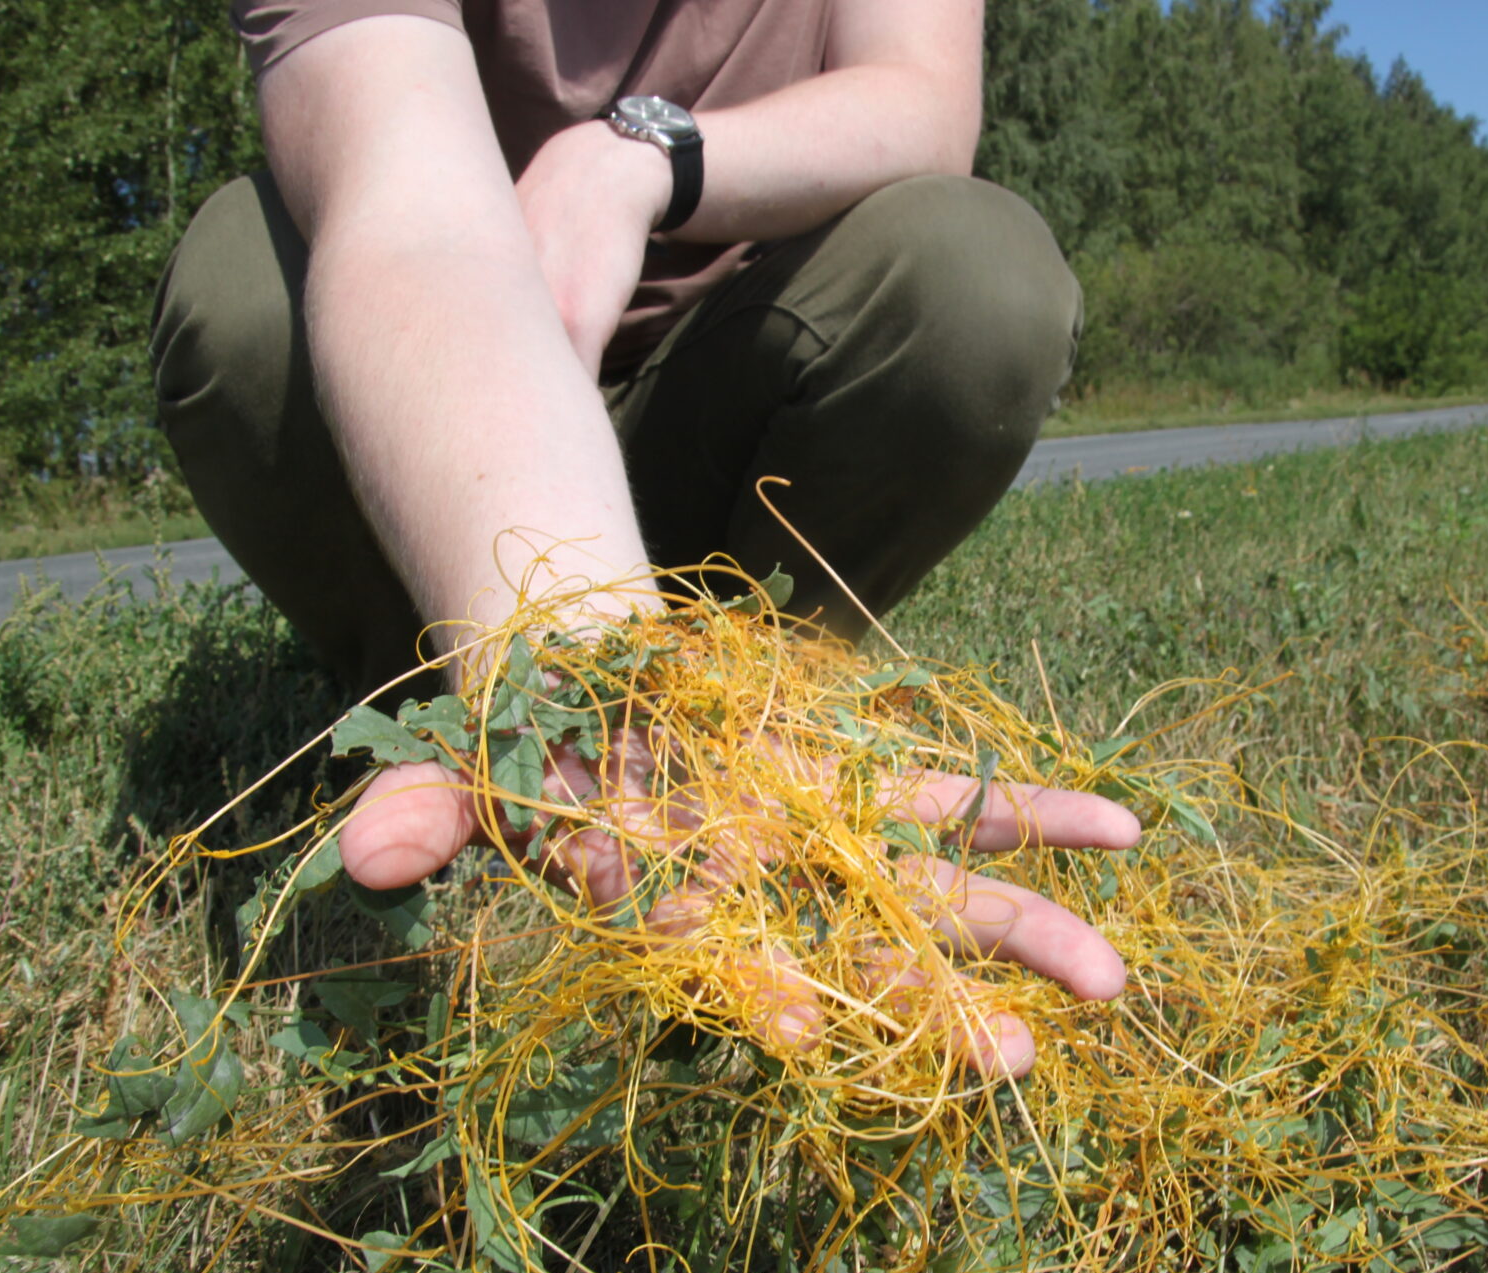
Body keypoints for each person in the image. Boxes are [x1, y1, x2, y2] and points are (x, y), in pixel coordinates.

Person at [149, 0, 1136, 1076]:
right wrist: (572, 679)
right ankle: (448, 715)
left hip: (721, 387)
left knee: (975, 270)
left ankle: (753, 704)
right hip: (449, 393)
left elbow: (919, 98)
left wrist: (637, 159)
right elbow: (408, 217)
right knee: (242, 283)